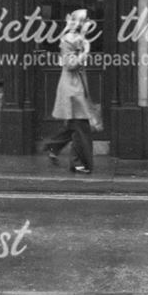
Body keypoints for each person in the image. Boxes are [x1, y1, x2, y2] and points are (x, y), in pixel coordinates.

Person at [43, 9, 95, 174]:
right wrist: (86, 51)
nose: (89, 23)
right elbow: (70, 64)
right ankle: (78, 162)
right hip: (72, 89)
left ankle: (54, 147)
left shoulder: (78, 38)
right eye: (86, 20)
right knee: (81, 127)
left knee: (75, 125)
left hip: (76, 86)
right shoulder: (68, 40)